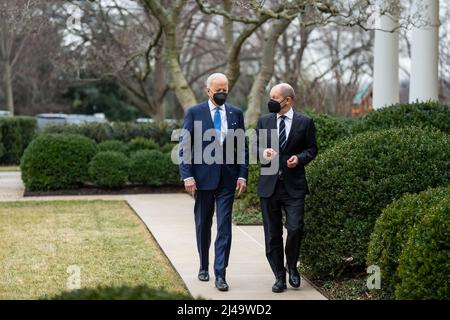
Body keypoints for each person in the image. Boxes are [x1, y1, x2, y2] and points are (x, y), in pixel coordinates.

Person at [178, 73, 248, 292]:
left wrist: (242, 174)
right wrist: (187, 176)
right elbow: (184, 145)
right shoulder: (194, 112)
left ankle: (221, 273)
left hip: (228, 178)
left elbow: (242, 147)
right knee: (203, 224)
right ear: (208, 91)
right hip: (202, 179)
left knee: (224, 225)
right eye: (218, 90)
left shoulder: (236, 113)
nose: (222, 93)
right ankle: (203, 265)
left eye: (225, 90)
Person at [256, 83, 317, 293]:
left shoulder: (305, 122)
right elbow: (255, 146)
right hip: (269, 186)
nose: (270, 101)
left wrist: (298, 159)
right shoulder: (264, 121)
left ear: (287, 100)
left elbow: (312, 149)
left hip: (294, 187)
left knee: (295, 228)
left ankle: (292, 265)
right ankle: (279, 276)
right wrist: (262, 153)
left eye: (274, 97)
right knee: (272, 235)